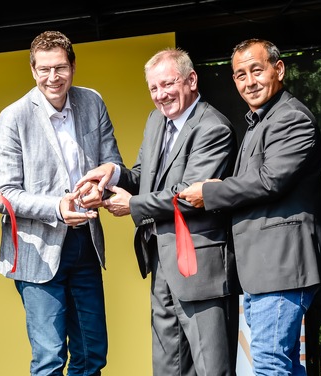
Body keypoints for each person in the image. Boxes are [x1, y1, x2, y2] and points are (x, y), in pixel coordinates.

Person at [74, 48, 239, 375]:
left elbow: (189, 196)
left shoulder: (213, 127)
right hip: (160, 261)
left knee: (211, 368)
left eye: (168, 84)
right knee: (167, 368)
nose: (161, 95)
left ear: (191, 80)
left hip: (198, 268)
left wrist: (132, 206)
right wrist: (113, 174)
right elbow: (143, 175)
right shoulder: (156, 121)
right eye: (153, 88)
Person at [179, 38, 321, 376]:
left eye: (256, 70)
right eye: (240, 74)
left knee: (271, 363)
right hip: (265, 269)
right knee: (282, 363)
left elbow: (269, 181)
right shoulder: (260, 120)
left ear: (279, 69)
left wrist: (212, 192)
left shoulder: (291, 118)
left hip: (282, 266)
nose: (249, 81)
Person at [0, 30, 123, 376]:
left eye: (60, 68)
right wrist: (56, 208)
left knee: (92, 354)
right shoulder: (14, 117)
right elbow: (5, 193)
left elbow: (113, 164)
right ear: (33, 71)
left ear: (73, 67)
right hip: (38, 251)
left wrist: (103, 188)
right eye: (45, 69)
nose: (53, 77)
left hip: (85, 246)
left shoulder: (92, 102)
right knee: (49, 358)